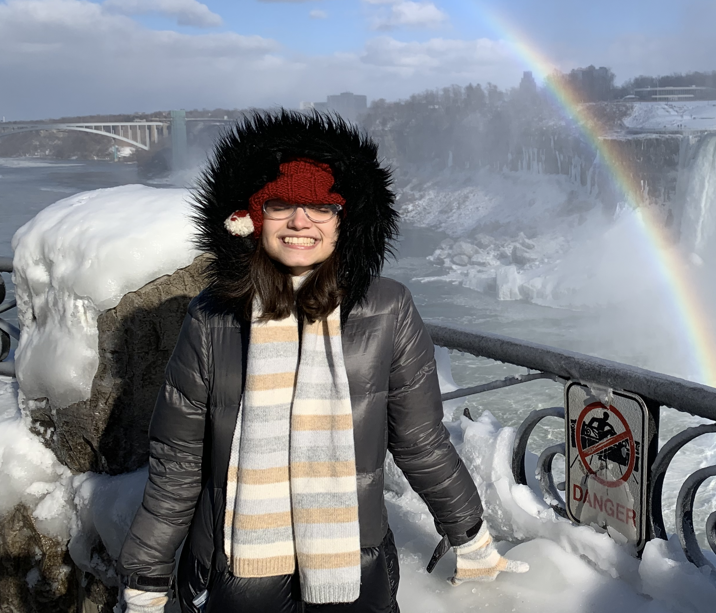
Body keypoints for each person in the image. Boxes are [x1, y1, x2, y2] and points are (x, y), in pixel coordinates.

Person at [117, 110, 527, 613]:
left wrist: (470, 534)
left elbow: (419, 439)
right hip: (234, 570)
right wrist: (146, 575)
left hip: (352, 565)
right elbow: (178, 462)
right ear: (251, 217)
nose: (300, 221)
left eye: (322, 207)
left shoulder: (388, 309)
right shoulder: (213, 318)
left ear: (344, 222)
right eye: (280, 204)